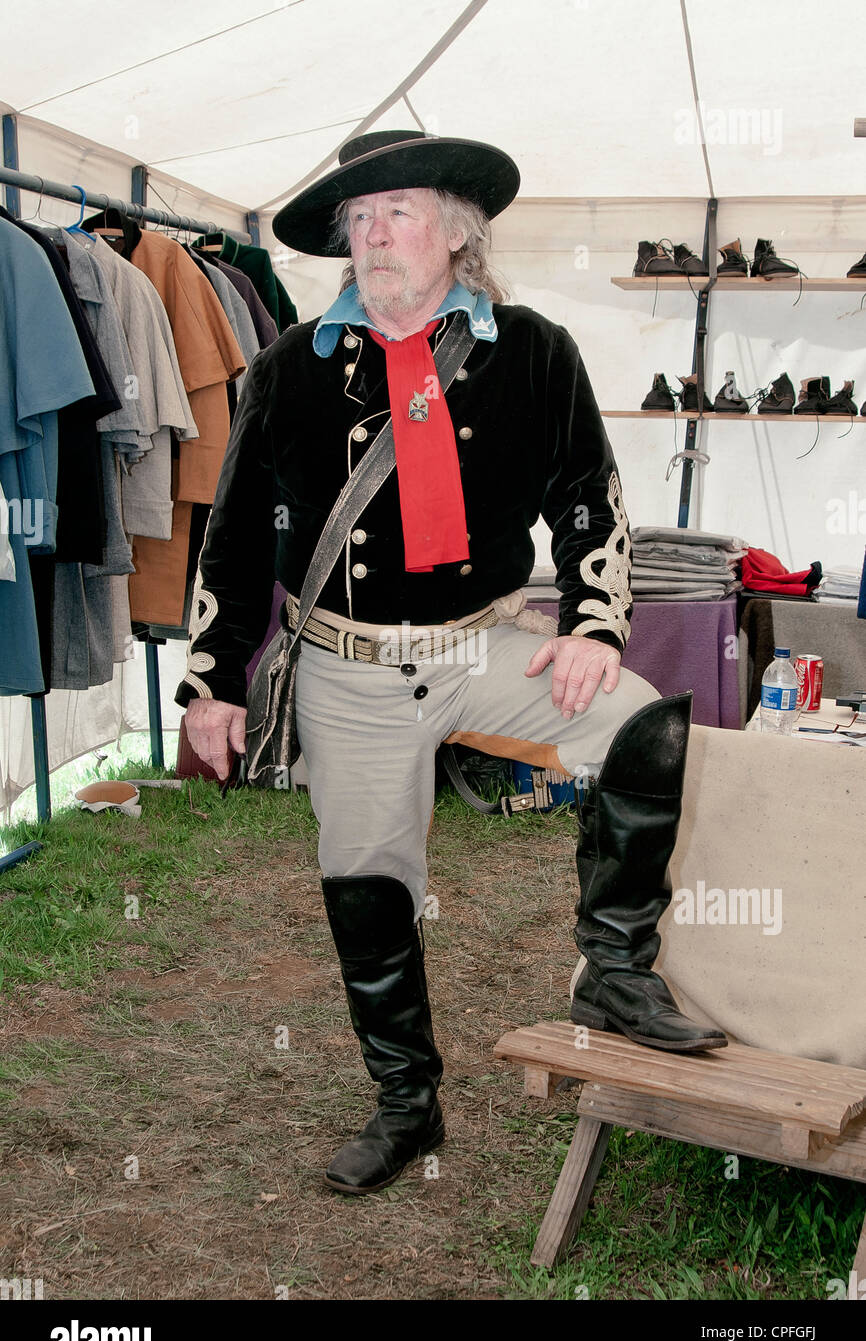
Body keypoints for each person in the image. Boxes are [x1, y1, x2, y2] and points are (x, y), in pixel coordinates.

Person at [176, 130, 726, 1196]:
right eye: (359, 218)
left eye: (400, 212)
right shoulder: (288, 369)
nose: (375, 235)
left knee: (640, 720)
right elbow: (233, 538)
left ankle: (612, 971)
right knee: (366, 885)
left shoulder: (530, 350)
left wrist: (592, 627)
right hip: (347, 666)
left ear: (456, 232)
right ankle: (406, 1106)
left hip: (484, 645)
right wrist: (206, 683)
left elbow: (588, 502)